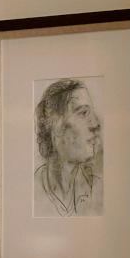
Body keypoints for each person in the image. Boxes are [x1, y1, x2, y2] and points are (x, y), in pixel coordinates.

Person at [33, 74, 104, 217]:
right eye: (83, 113)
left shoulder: (97, 189)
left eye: (92, 113)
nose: (95, 123)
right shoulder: (32, 189)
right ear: (56, 125)